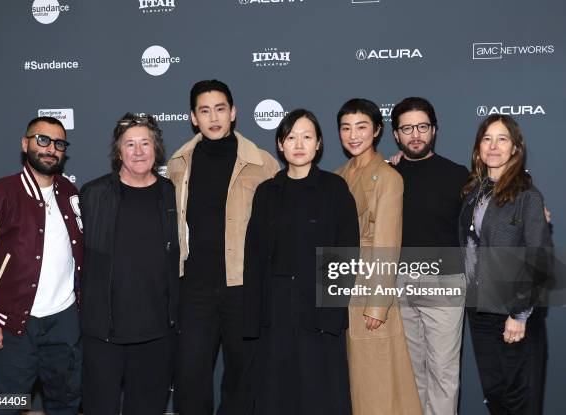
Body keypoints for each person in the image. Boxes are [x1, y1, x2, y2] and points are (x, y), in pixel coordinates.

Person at [0, 116, 83, 414]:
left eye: (59, 143)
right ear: (25, 144)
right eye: (43, 140)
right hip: (11, 324)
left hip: (64, 322)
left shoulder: (71, 193)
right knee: (5, 406)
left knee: (65, 402)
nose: (51, 148)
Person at [167, 80, 280, 414]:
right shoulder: (178, 163)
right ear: (193, 117)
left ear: (233, 112)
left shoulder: (262, 163)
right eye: (204, 110)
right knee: (189, 376)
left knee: (242, 376)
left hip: (243, 287)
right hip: (194, 286)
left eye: (220, 109)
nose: (213, 117)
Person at [243, 109, 359, 414]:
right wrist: (254, 316)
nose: (299, 144)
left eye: (307, 137)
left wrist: (332, 313)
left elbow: (346, 254)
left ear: (319, 143)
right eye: (291, 137)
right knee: (276, 392)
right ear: (280, 144)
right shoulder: (266, 192)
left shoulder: (335, 189)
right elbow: (253, 256)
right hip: (275, 309)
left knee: (320, 392)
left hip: (320, 308)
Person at [79, 113, 179, 414]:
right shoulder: (93, 195)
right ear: (118, 151)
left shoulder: (172, 194)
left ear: (156, 149)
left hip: (157, 331)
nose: (138, 151)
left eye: (145, 143)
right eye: (130, 144)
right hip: (104, 332)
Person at [459, 114, 552, 415]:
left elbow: (540, 259)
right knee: (496, 395)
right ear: (478, 148)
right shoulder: (474, 192)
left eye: (502, 139)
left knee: (520, 398)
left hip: (513, 314)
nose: (494, 146)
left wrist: (520, 315)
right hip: (480, 311)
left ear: (515, 148)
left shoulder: (528, 196)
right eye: (487, 139)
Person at [334, 98, 422, 415]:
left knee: (376, 384)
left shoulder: (387, 177)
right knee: (349, 383)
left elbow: (388, 244)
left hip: (370, 292)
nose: (353, 135)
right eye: (346, 128)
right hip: (338, 289)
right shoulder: (338, 174)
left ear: (377, 130)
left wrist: (377, 304)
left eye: (361, 127)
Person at [390, 97, 469, 415]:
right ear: (396, 135)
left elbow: (485, 218)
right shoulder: (388, 174)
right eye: (407, 128)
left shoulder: (457, 174)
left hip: (445, 280)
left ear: (434, 130)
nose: (415, 135)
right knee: (411, 373)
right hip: (399, 282)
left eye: (422, 126)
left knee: (443, 372)